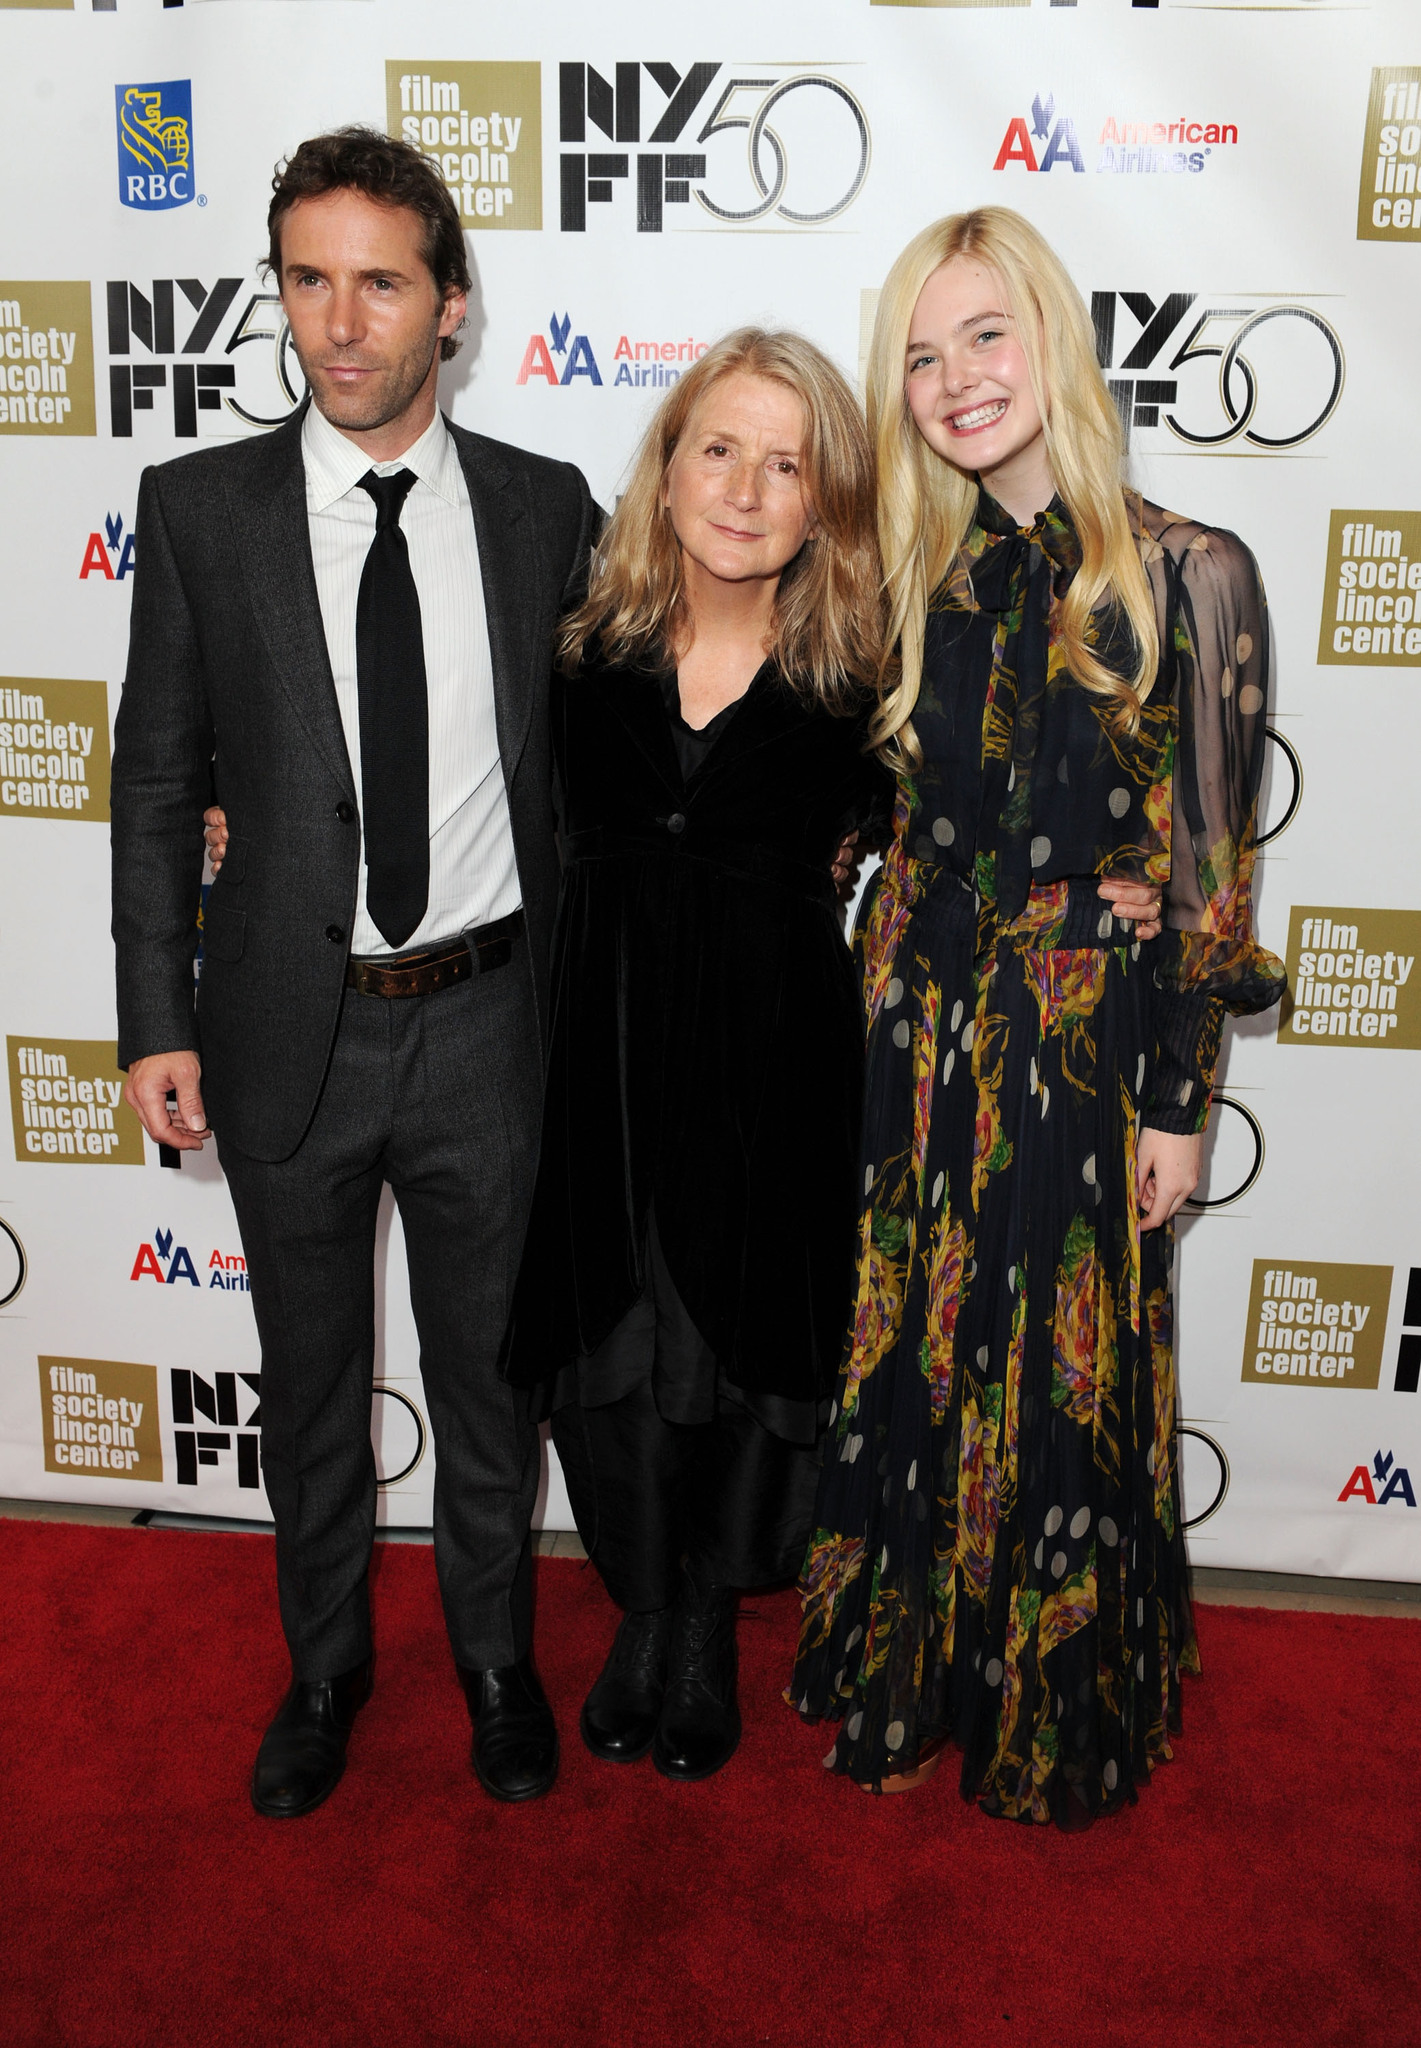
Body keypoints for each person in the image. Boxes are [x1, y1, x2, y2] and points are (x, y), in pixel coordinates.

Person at [111, 128, 593, 1817]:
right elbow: (158, 783)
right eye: (306, 279)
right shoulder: (200, 511)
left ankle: (491, 1660)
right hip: (278, 1037)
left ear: (449, 307)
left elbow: (613, 760)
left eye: (378, 280)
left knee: (488, 1389)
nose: (338, 322)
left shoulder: (547, 512)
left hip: (486, 1031)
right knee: (309, 1388)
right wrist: (153, 1017)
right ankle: (322, 1670)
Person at [790, 208, 1284, 1825]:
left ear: (1052, 341)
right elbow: (847, 814)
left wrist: (1179, 1100)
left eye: (983, 336)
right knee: (916, 1358)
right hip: (915, 1035)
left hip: (1077, 1053)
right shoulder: (904, 581)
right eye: (921, 356)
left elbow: (1212, 874)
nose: (953, 380)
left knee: (1057, 1381)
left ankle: (1045, 1703)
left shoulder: (1190, 573)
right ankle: (916, 1675)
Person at [496, 330, 895, 1781]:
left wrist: (1110, 884)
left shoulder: (869, 680)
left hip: (773, 1074)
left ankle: (706, 1625)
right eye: (717, 449)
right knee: (615, 1346)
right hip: (595, 1063)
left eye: (787, 464)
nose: (744, 488)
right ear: (664, 474)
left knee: (737, 1353)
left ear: (825, 502)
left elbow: (977, 826)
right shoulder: (571, 650)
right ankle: (640, 1608)